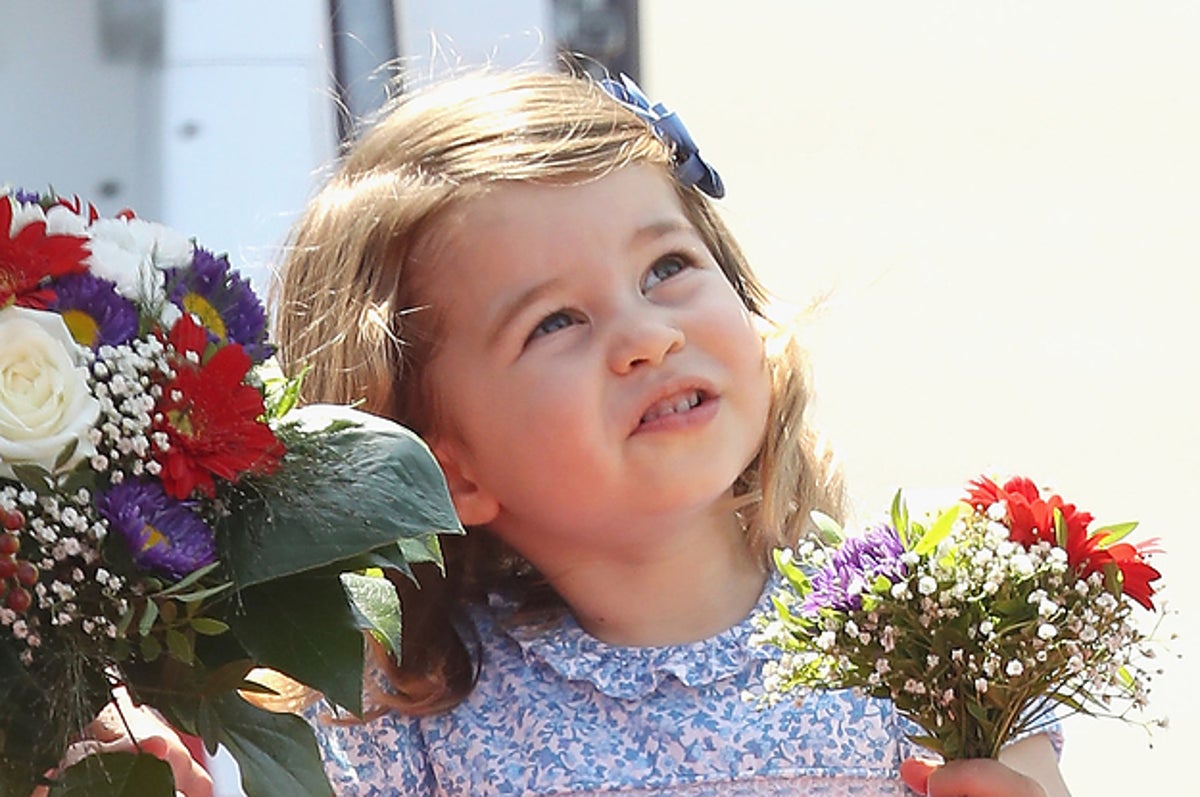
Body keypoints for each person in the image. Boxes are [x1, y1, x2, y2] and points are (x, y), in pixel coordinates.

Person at [66, 67, 1070, 796]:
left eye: (667, 267)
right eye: (555, 321)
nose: (645, 335)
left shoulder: (926, 632)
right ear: (437, 466)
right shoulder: (399, 709)